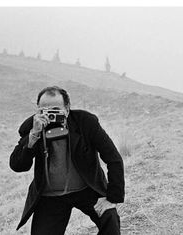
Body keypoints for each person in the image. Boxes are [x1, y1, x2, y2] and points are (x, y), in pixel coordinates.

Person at [9, 86, 125, 235]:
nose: (50, 114)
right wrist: (33, 136)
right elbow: (17, 166)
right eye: (44, 110)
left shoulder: (86, 123)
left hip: (86, 189)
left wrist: (112, 198)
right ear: (37, 110)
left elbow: (113, 158)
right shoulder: (31, 128)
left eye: (56, 109)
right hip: (50, 196)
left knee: (110, 218)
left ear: (67, 108)